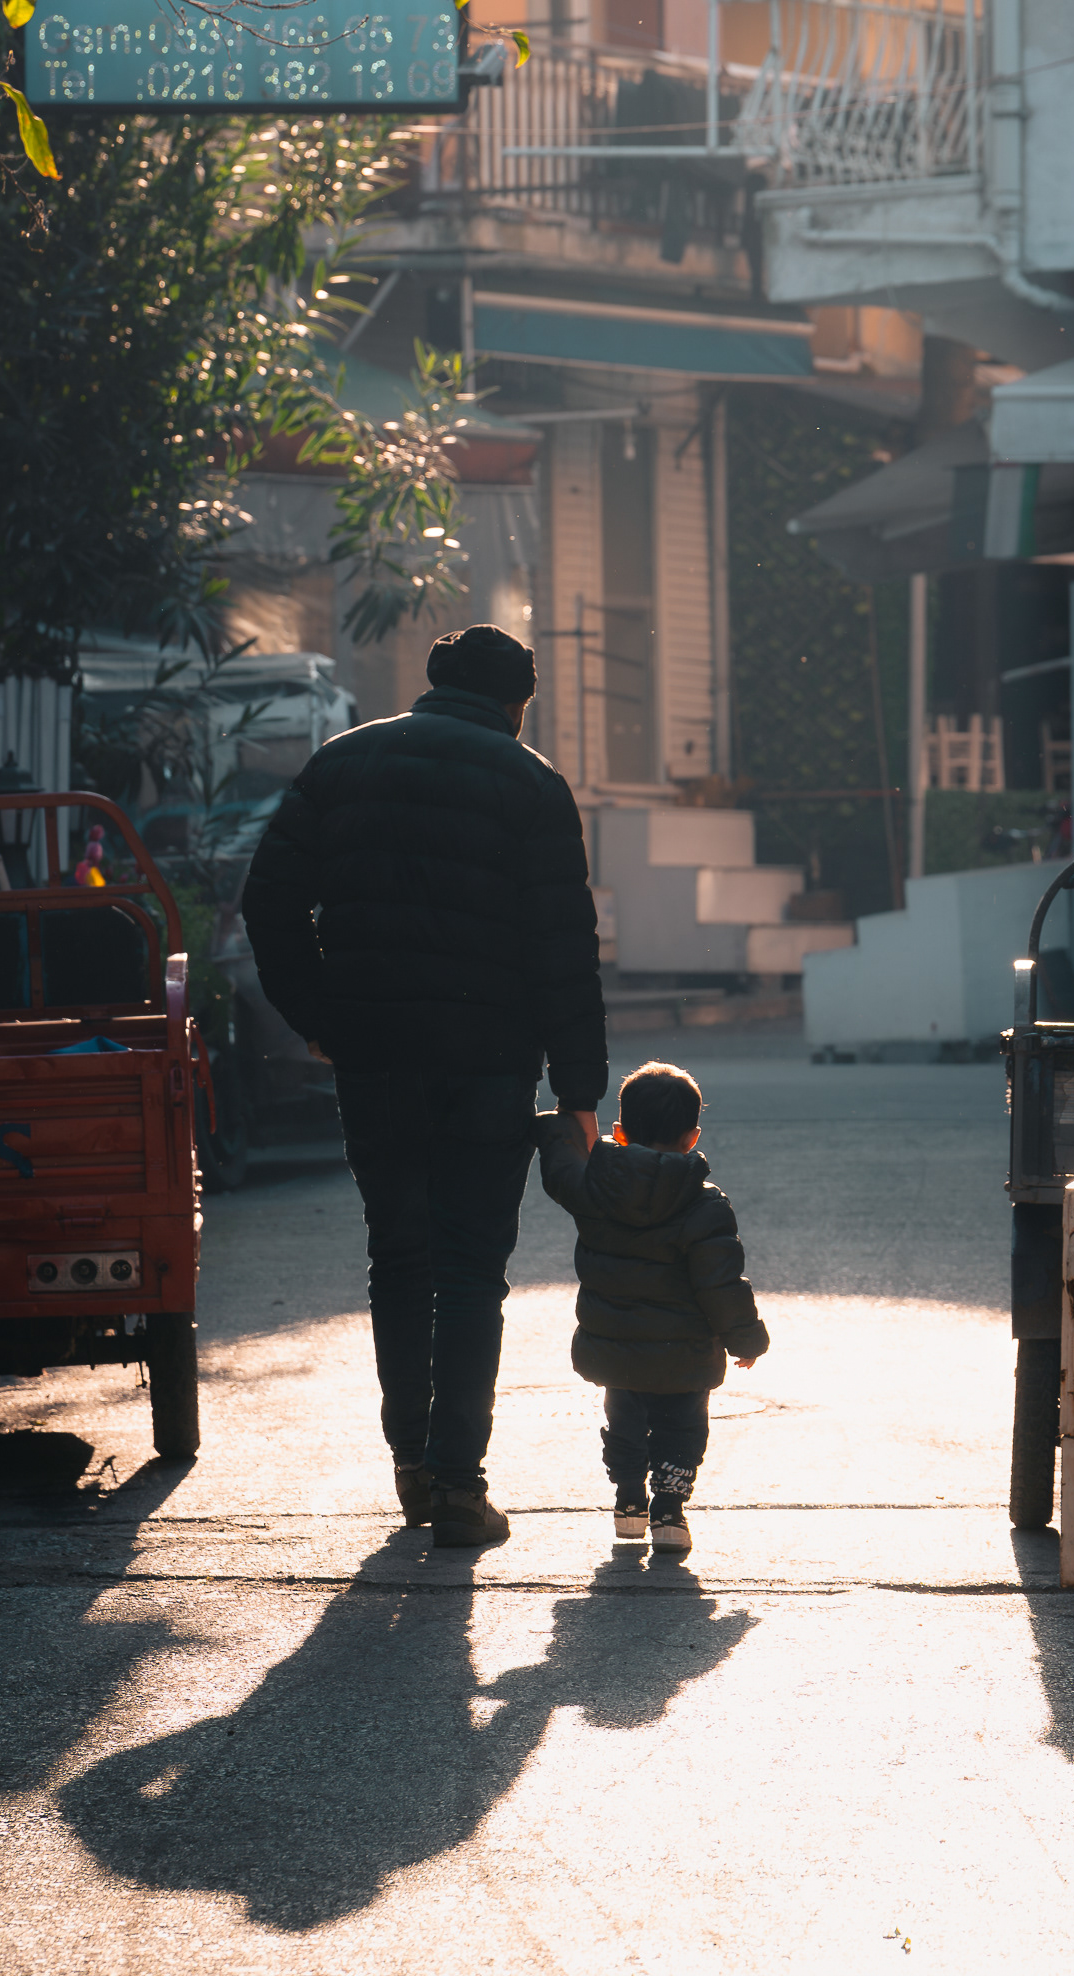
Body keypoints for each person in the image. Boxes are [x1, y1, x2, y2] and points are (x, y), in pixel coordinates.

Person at [240, 624, 606, 1550]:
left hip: (376, 1056)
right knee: (470, 1270)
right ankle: (458, 1482)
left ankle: (410, 1466)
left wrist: (322, 1016)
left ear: (432, 684)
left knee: (397, 1257)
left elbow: (269, 902)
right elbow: (562, 947)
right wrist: (579, 1088)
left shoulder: (341, 765)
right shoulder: (531, 784)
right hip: (488, 1060)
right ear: (520, 702)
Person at [535, 1059, 769, 1554]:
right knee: (682, 1426)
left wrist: (557, 1126)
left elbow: (561, 1171)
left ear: (619, 1132)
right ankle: (669, 1513)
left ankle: (627, 1501)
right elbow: (721, 1282)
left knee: (624, 1421)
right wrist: (746, 1339)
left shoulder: (596, 1189)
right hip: (686, 1351)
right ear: (693, 1137)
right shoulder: (705, 1204)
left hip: (617, 1347)